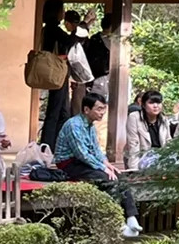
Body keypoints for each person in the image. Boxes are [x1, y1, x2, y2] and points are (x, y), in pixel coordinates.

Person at [55, 88, 142, 235]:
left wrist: (107, 163)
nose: (102, 113)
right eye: (99, 109)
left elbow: (95, 149)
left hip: (85, 161)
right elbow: (81, 153)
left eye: (104, 109)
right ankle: (118, 222)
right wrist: (102, 167)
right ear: (87, 109)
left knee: (119, 176)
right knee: (106, 179)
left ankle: (132, 218)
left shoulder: (90, 125)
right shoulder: (73, 124)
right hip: (69, 163)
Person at [39, 0, 73, 153]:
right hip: (57, 72)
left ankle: (55, 145)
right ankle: (48, 146)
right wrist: (82, 26)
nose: (63, 13)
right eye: (62, 9)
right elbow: (70, 41)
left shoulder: (48, 28)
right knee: (56, 110)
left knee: (61, 109)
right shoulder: (53, 28)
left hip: (56, 72)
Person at [124, 88, 175, 172]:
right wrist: (133, 169)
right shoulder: (134, 117)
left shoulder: (164, 119)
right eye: (151, 103)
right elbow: (133, 144)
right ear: (143, 105)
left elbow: (168, 141)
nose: (155, 106)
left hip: (161, 156)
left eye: (158, 102)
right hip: (143, 156)